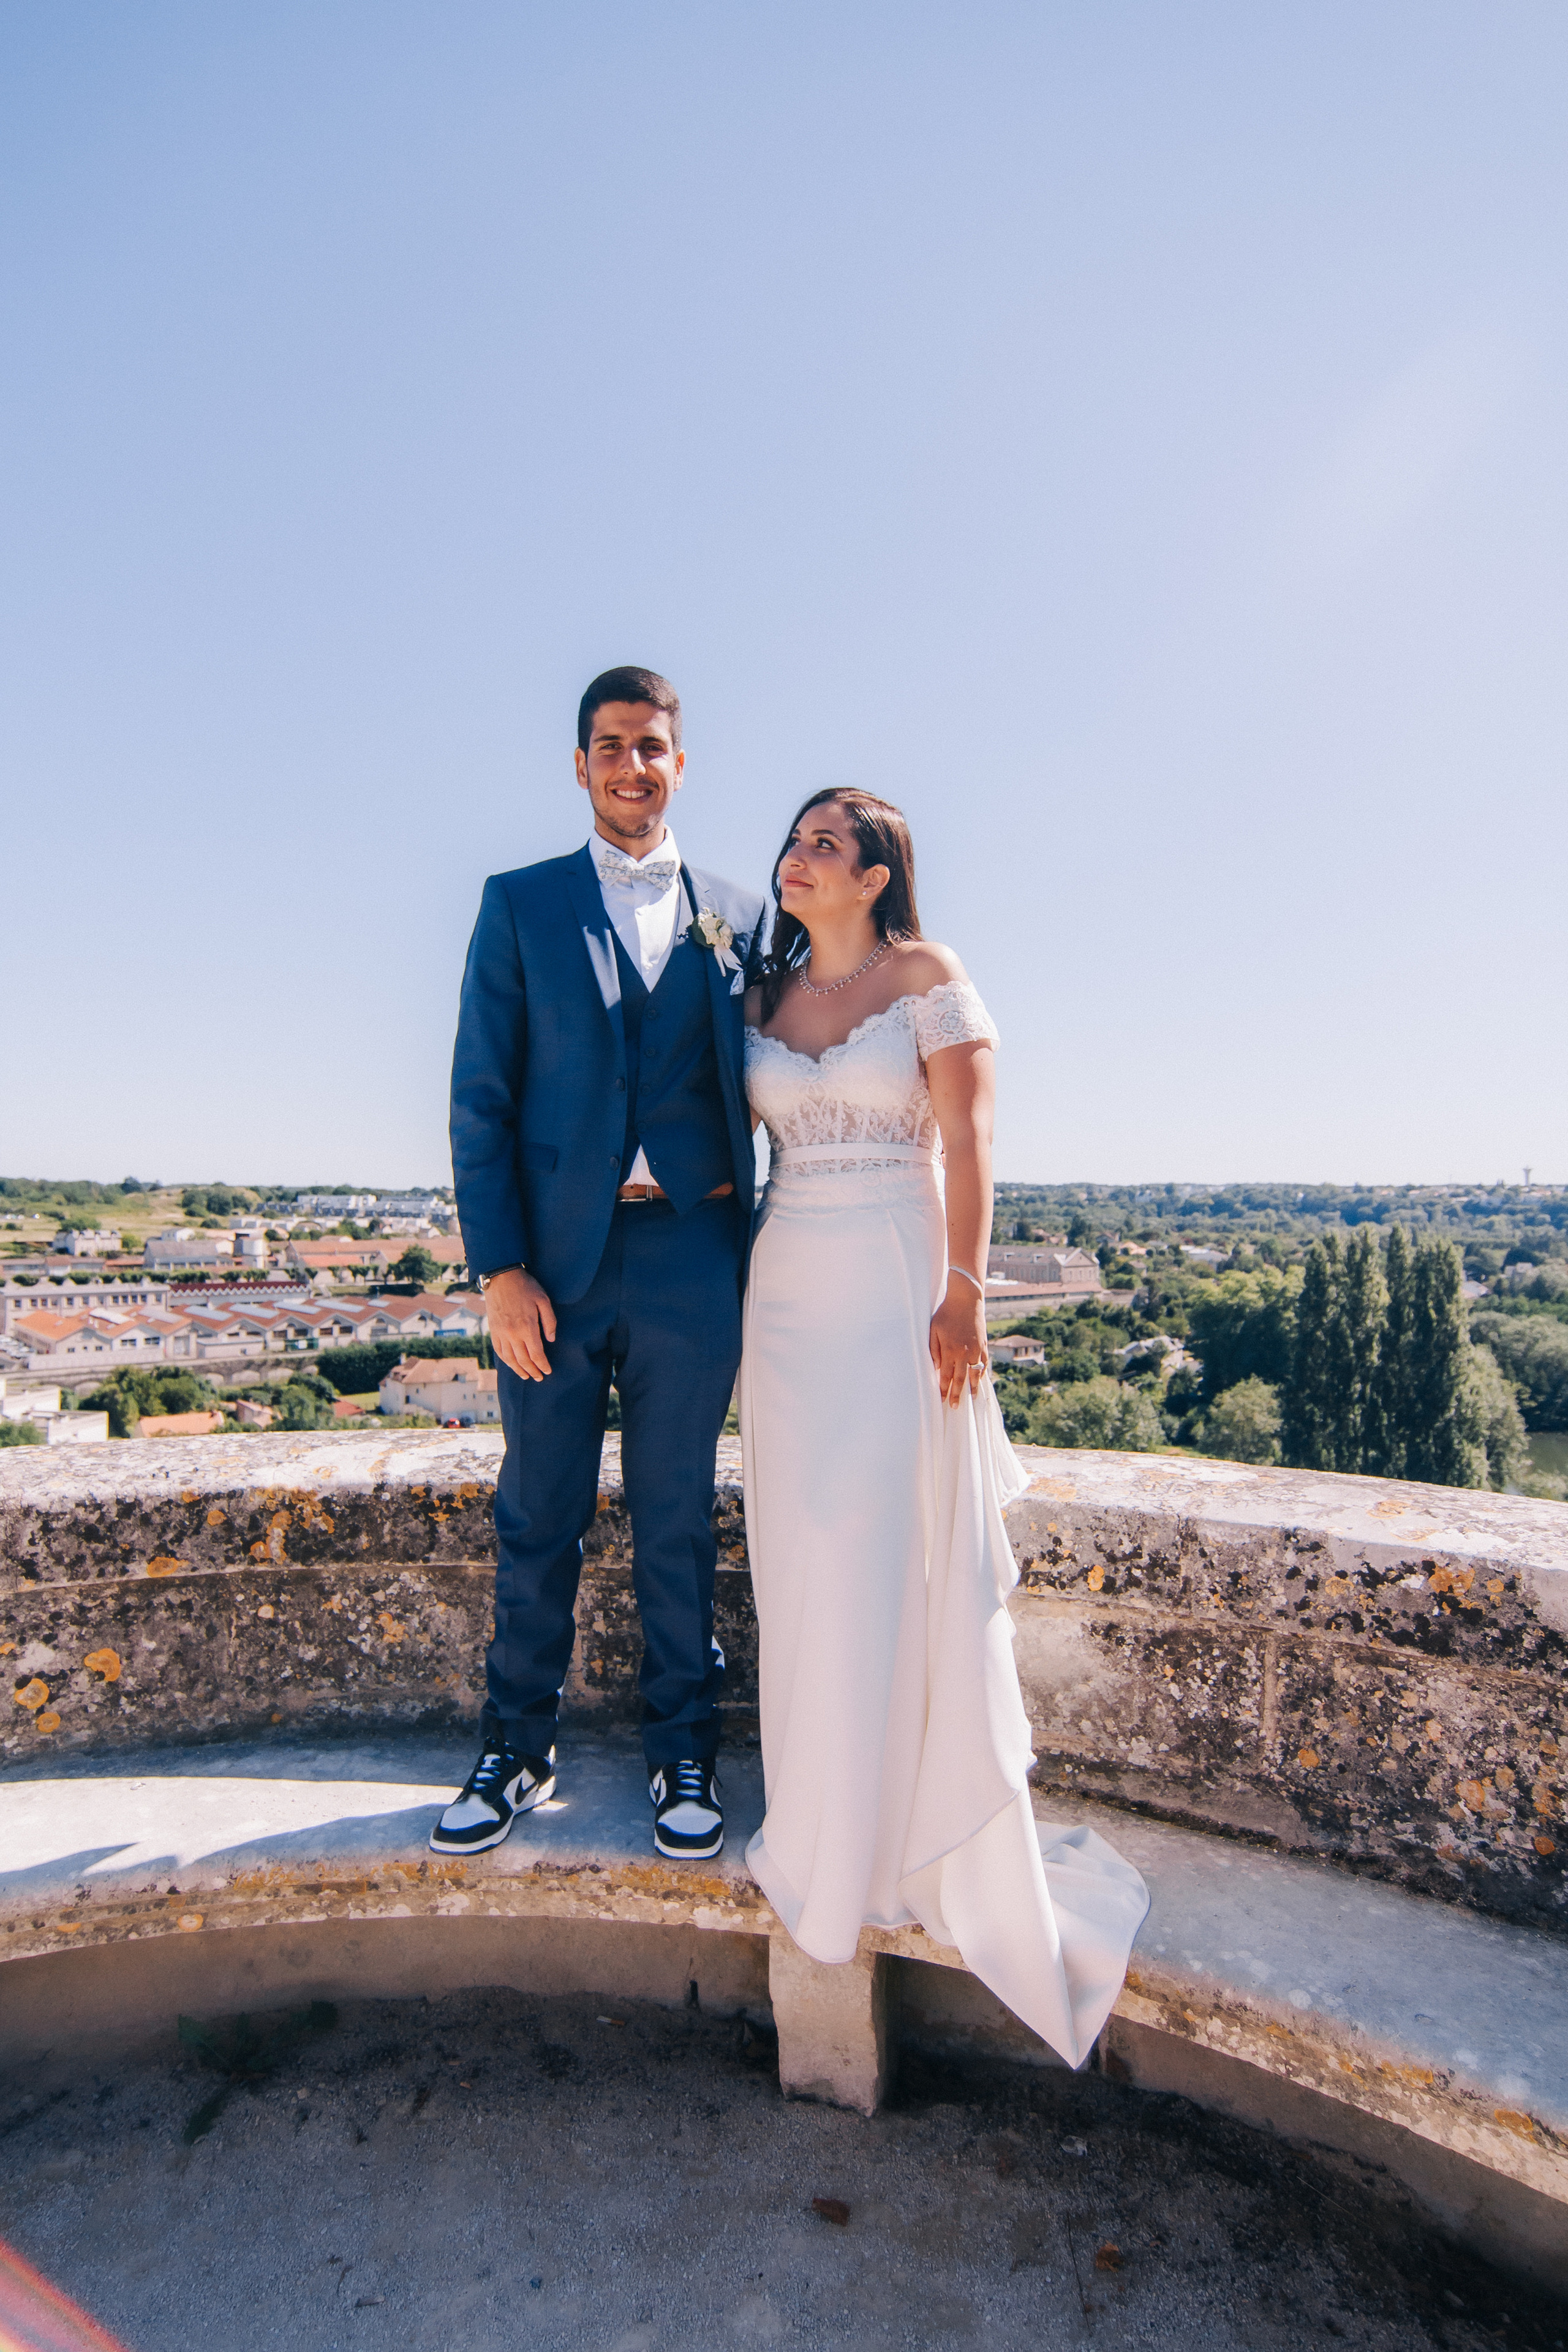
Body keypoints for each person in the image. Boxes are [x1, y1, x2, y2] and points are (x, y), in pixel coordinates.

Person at [740, 789, 1148, 2066]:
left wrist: (962, 1293)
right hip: (784, 1291)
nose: (797, 856)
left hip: (895, 1281)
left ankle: (912, 1828)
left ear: (875, 875)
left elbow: (970, 1140)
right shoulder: (760, 995)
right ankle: (823, 1824)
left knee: (886, 1548)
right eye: (795, 838)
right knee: (803, 1553)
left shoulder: (927, 975)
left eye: (824, 843)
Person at [435, 666, 763, 1863]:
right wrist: (499, 1270)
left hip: (693, 1255)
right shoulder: (517, 903)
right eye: (612, 745)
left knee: (678, 1519)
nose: (633, 765)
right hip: (553, 1270)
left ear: (681, 762)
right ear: (580, 765)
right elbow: (480, 1100)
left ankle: (685, 1751)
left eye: (652, 746)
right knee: (539, 1515)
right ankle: (515, 1747)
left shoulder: (742, 915)